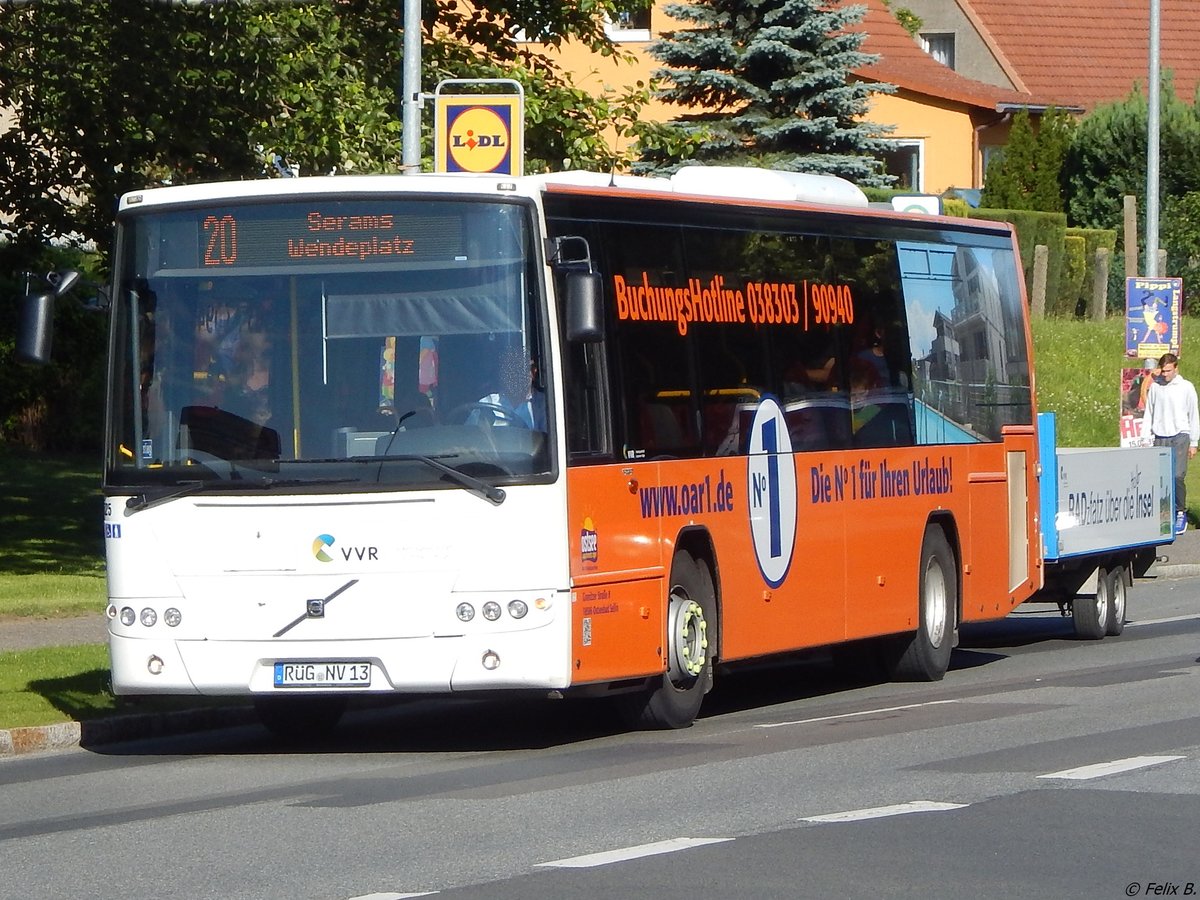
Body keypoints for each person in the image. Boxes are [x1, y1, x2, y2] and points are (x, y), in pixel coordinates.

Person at [1144, 352, 1199, 534]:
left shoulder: (1186, 387)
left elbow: (1193, 415)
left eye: (1168, 371)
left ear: (1176, 368)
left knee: (1177, 475)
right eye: (1163, 371)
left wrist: (1194, 441)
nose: (1165, 374)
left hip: (1180, 435)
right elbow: (1149, 413)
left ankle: (1180, 511)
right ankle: (1164, 512)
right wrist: (1146, 436)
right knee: (1161, 477)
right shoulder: (1156, 388)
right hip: (1160, 435)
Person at [470, 344, 546, 430]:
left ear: (533, 372)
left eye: (521, 369)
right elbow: (468, 438)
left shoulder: (544, 405)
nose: (516, 375)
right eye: (512, 370)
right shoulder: (487, 403)